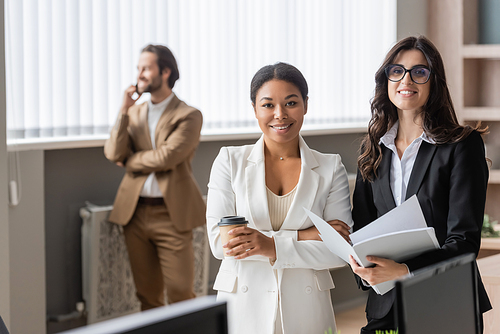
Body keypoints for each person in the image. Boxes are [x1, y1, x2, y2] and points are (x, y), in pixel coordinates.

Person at [350, 35, 492, 333]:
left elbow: (464, 242)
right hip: (385, 303)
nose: (406, 80)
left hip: (446, 301)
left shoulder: (462, 146)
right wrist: (363, 268)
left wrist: (405, 270)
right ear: (386, 79)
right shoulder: (372, 148)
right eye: (397, 71)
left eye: (419, 72)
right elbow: (362, 228)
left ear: (434, 81)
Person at [206, 62, 353, 334]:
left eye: (291, 102)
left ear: (306, 104)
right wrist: (305, 235)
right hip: (243, 306)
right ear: (254, 109)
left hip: (306, 308)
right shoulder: (229, 161)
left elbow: (339, 252)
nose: (280, 115)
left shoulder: (331, 167)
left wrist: (270, 245)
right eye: (268, 105)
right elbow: (221, 243)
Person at [104, 44, 205, 310]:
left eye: (146, 68)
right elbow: (113, 151)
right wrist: (124, 109)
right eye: (139, 69)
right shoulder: (134, 113)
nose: (140, 75)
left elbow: (167, 158)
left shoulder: (189, 115)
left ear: (165, 71)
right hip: (135, 214)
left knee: (181, 293)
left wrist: (130, 162)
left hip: (171, 215)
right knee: (147, 296)